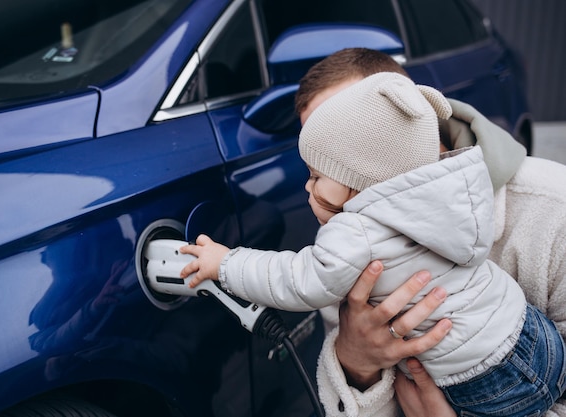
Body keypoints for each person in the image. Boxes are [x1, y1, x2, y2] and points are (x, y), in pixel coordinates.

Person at [180, 71, 566, 416]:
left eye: (321, 171)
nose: (307, 187)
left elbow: (295, 278)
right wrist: (355, 360)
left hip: (487, 386)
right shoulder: (457, 201)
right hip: (538, 339)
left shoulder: (554, 206)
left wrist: (227, 263)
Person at [295, 48, 566, 417]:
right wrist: (356, 363)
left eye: (355, 140)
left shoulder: (553, 209)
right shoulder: (340, 243)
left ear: (414, 117)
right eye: (327, 160)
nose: (344, 173)